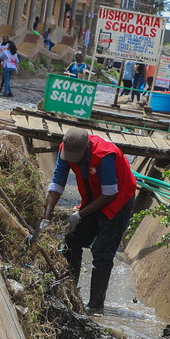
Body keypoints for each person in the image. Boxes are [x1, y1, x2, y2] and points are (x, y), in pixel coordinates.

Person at [40, 128, 136, 310]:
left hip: (118, 199)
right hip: (94, 196)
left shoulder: (104, 155)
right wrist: (47, 215)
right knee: (73, 240)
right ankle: (71, 295)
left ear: (86, 148)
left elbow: (110, 193)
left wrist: (79, 214)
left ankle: (95, 306)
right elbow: (58, 182)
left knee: (102, 251)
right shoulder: (65, 150)